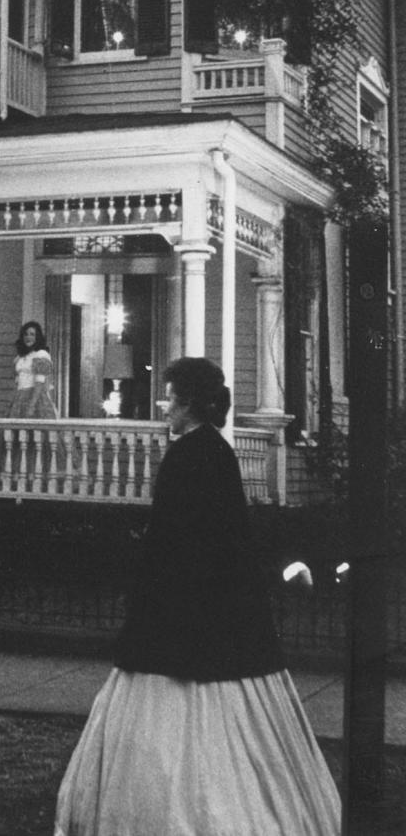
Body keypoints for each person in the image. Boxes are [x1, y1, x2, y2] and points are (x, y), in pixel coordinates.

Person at [54, 357, 340, 836]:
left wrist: (150, 582)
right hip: (219, 607)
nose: (165, 407)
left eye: (169, 398)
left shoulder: (190, 454)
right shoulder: (217, 451)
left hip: (181, 608)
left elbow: (180, 537)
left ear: (188, 403)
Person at [8, 321, 58, 419]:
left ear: (37, 337)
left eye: (32, 334)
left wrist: (31, 406)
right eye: (25, 334)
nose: (28, 337)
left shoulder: (41, 354)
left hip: (34, 397)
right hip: (20, 397)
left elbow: (40, 382)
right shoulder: (20, 357)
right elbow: (17, 381)